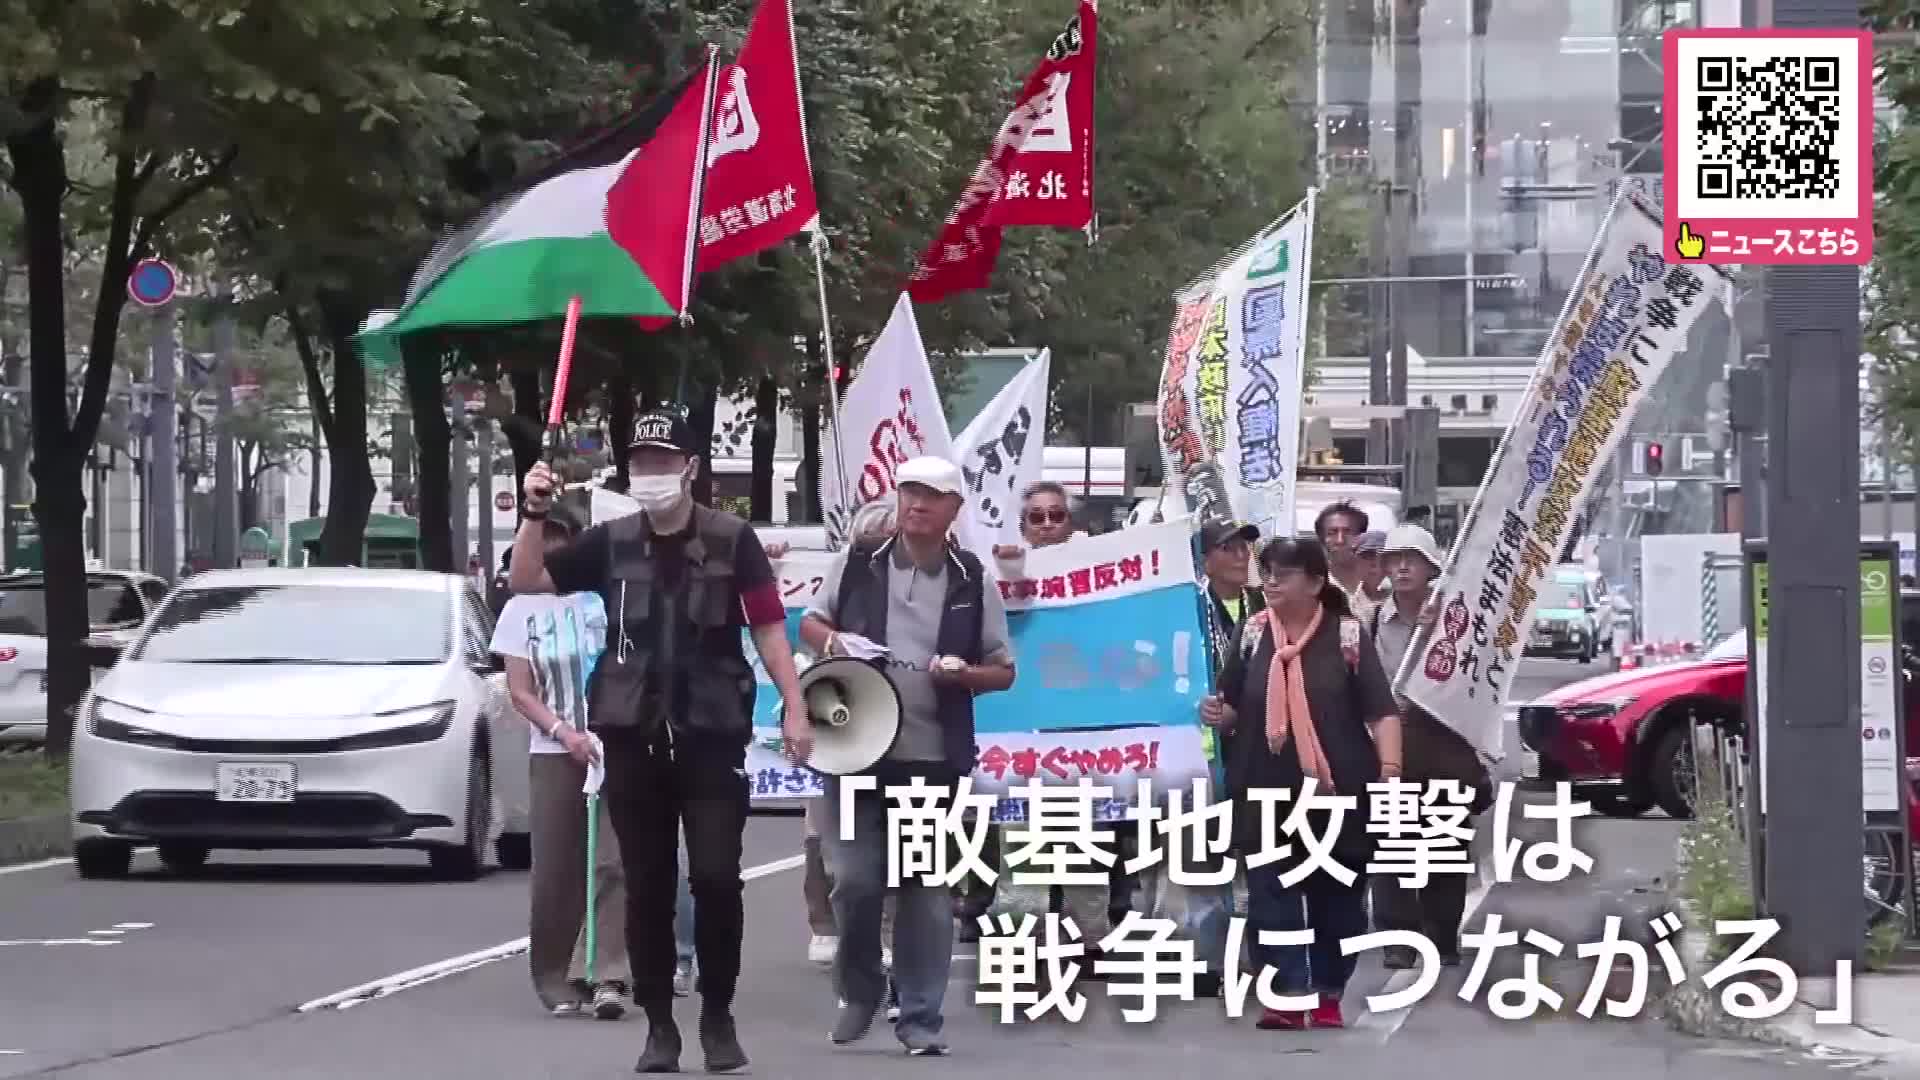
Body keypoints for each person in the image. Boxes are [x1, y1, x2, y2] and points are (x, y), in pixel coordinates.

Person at [509, 409, 813, 1075]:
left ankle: (717, 1014)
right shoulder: (611, 541)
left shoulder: (732, 539)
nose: (651, 472)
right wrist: (533, 511)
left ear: (691, 468)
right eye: (641, 462)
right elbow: (527, 579)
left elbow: (768, 626)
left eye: (663, 461)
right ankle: (659, 1026)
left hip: (710, 734)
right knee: (646, 885)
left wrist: (794, 706)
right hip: (632, 735)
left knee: (716, 878)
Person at [798, 456, 1017, 1057]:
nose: (918, 503)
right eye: (910, 491)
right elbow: (811, 623)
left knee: (923, 890)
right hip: (852, 751)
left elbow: (1003, 670)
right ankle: (860, 989)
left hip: (929, 758)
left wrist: (963, 673)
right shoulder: (859, 561)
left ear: (954, 509)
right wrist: (838, 642)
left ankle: (920, 1016)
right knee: (854, 880)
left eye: (933, 495)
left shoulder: (972, 578)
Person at [1202, 537, 1401, 1031]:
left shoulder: (1347, 636)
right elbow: (1232, 704)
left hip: (1338, 789)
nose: (1270, 581)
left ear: (1314, 583)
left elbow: (1381, 711)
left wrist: (1391, 770)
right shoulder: (1253, 633)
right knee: (1271, 896)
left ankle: (1329, 989)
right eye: (1267, 571)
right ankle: (1287, 993)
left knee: (1338, 898)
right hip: (1264, 787)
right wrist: (1217, 714)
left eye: (1284, 573)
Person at [490, 513, 631, 1020]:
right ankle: (553, 975)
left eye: (557, 545)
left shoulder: (603, 599)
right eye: (537, 544)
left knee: (614, 861)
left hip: (617, 745)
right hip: (555, 750)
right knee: (557, 869)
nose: (547, 556)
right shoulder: (519, 611)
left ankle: (607, 975)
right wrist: (564, 732)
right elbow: (521, 690)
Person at [1369, 524, 1490, 968]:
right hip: (1392, 749)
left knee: (1444, 846)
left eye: (1412, 559)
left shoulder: (1456, 621)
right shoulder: (1371, 621)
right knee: (1392, 847)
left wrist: (1435, 634)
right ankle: (1398, 940)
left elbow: (1472, 685)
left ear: (1431, 568)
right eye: (1394, 559)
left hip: (1444, 748)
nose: (1402, 568)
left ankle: (1441, 936)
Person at [802, 498, 901, 984]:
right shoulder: (845, 571)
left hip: (904, 722)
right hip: (845, 716)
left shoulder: (938, 574)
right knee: (828, 830)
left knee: (897, 834)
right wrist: (835, 643)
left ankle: (889, 937)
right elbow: (809, 622)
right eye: (869, 543)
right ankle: (827, 924)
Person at [1314, 501, 1377, 626]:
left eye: (1348, 532)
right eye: (1332, 532)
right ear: (1322, 539)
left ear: (1362, 537)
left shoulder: (1381, 585)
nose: (1340, 540)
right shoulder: (1314, 587)